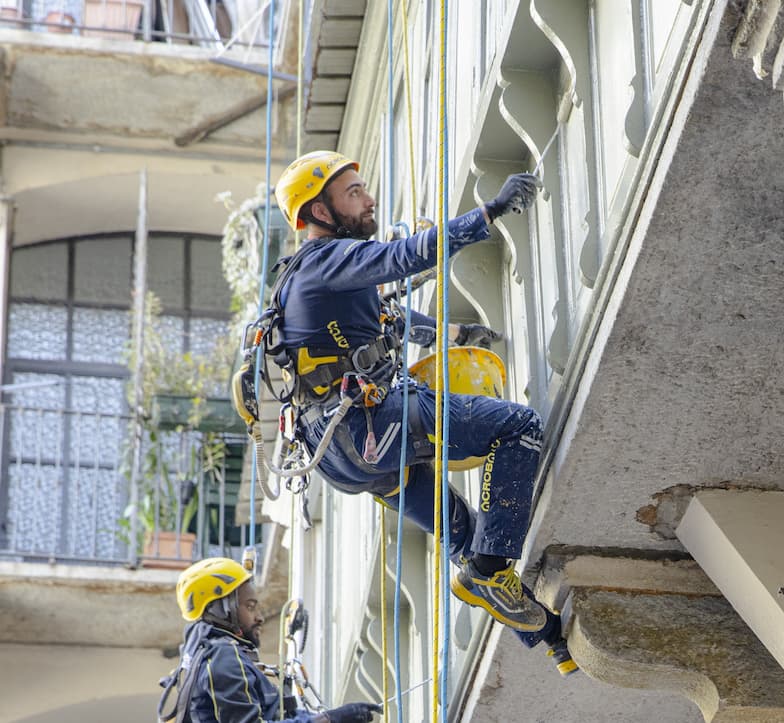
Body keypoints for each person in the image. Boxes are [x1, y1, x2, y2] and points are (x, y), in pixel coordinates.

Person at [269, 151, 574, 673]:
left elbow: (385, 317)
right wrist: (489, 213)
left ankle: (550, 635)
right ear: (320, 213)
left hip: (340, 456)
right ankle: (491, 569)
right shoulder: (326, 258)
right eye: (354, 193)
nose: (369, 200)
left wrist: (456, 335)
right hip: (370, 420)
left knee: (463, 534)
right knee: (518, 428)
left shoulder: (313, 278)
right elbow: (403, 257)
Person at [159, 557, 383, 723]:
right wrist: (329, 719)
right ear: (221, 609)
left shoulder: (199, 657)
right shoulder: (222, 657)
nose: (259, 617)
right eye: (250, 607)